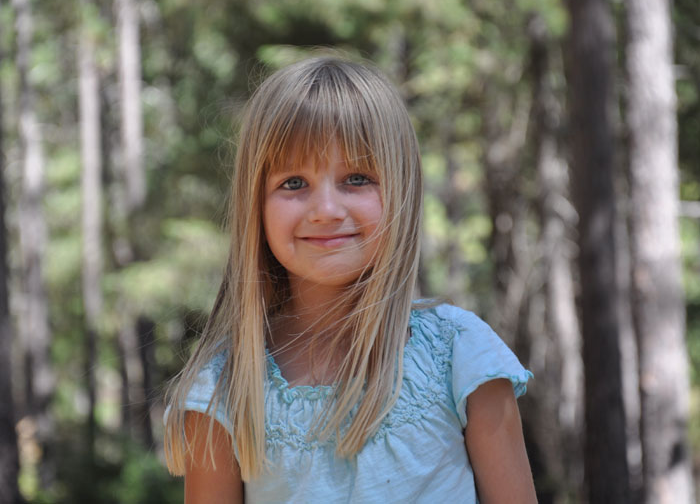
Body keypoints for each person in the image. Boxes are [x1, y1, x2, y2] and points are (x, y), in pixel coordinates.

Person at [164, 56, 537, 503]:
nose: (325, 210)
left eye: (356, 178)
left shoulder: (461, 355)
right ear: (255, 204)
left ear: (402, 190)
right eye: (293, 183)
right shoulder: (224, 388)